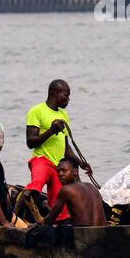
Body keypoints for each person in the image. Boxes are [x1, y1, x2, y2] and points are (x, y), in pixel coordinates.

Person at [24, 79, 89, 222]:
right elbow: (30, 142)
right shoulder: (37, 111)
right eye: (66, 95)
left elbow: (66, 149)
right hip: (41, 159)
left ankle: (53, 228)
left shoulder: (64, 115)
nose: (68, 99)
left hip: (59, 166)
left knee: (61, 208)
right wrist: (51, 131)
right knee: (37, 183)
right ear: (55, 93)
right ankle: (20, 208)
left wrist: (81, 163)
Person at [43, 158, 107, 227]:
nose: (60, 174)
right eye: (58, 171)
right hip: (104, 232)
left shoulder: (66, 189)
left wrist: (40, 222)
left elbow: (50, 219)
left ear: (75, 172)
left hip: (84, 233)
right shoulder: (92, 187)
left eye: (64, 171)